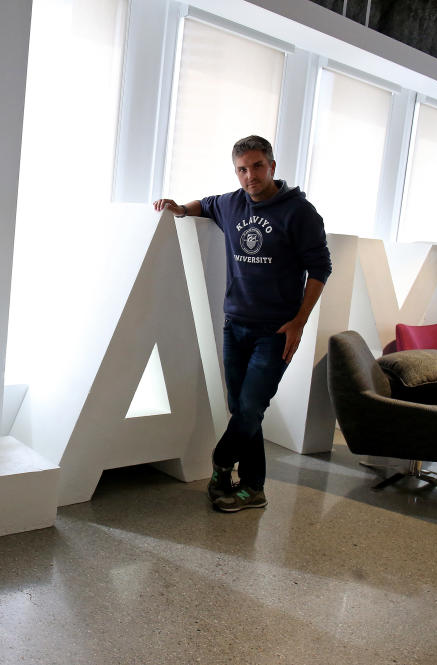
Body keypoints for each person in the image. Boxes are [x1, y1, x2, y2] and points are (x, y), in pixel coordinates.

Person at [153, 135, 331, 513]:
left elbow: (320, 268)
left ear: (272, 166)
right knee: (242, 408)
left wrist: (299, 322)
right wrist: (180, 208)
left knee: (250, 407)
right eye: (242, 169)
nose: (250, 176)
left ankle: (220, 464)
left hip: (276, 331)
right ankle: (253, 487)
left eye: (257, 166)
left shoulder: (299, 212)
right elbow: (206, 204)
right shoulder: (232, 203)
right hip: (235, 325)